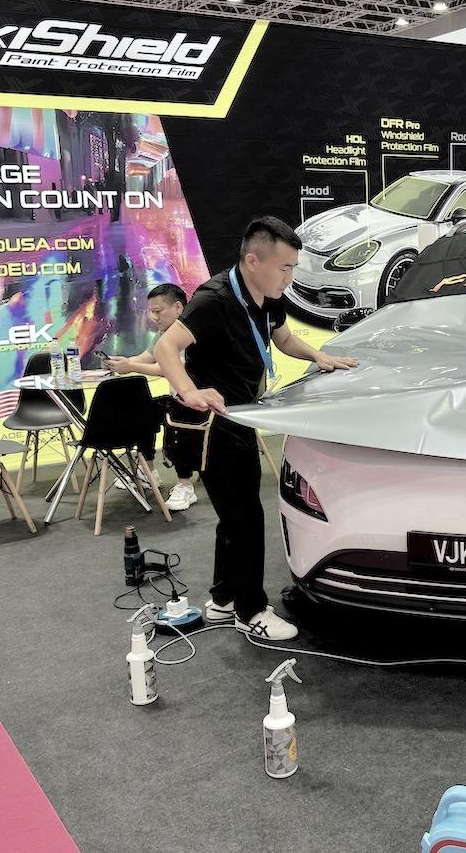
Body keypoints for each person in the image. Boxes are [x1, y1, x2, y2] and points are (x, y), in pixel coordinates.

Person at [153, 217, 359, 641]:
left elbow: (282, 339)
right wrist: (190, 390)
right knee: (245, 517)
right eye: (284, 267)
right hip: (213, 425)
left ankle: (224, 598)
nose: (290, 276)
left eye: (292, 267)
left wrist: (319, 356)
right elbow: (165, 347)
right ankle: (251, 610)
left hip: (240, 417)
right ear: (252, 261)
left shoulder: (269, 296)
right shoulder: (214, 299)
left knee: (234, 516)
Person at [104, 283, 204, 512]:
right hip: (178, 397)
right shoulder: (163, 333)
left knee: (178, 417)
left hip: (201, 400)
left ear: (178, 307)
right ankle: (148, 472)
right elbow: (147, 358)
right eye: (152, 311)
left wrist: (131, 367)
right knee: (142, 411)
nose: (154, 317)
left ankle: (185, 486)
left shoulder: (191, 331)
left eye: (158, 311)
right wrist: (120, 362)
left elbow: (170, 367)